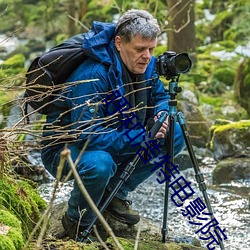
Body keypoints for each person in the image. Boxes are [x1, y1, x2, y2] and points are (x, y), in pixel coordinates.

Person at [41, 9, 185, 241]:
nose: (147, 56)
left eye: (151, 49)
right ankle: (76, 221)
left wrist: (161, 114)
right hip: (66, 150)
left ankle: (115, 193)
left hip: (117, 136)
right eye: (140, 49)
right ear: (119, 43)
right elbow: (86, 135)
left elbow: (159, 96)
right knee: (100, 164)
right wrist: (142, 137)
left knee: (175, 132)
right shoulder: (92, 75)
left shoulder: (145, 64)